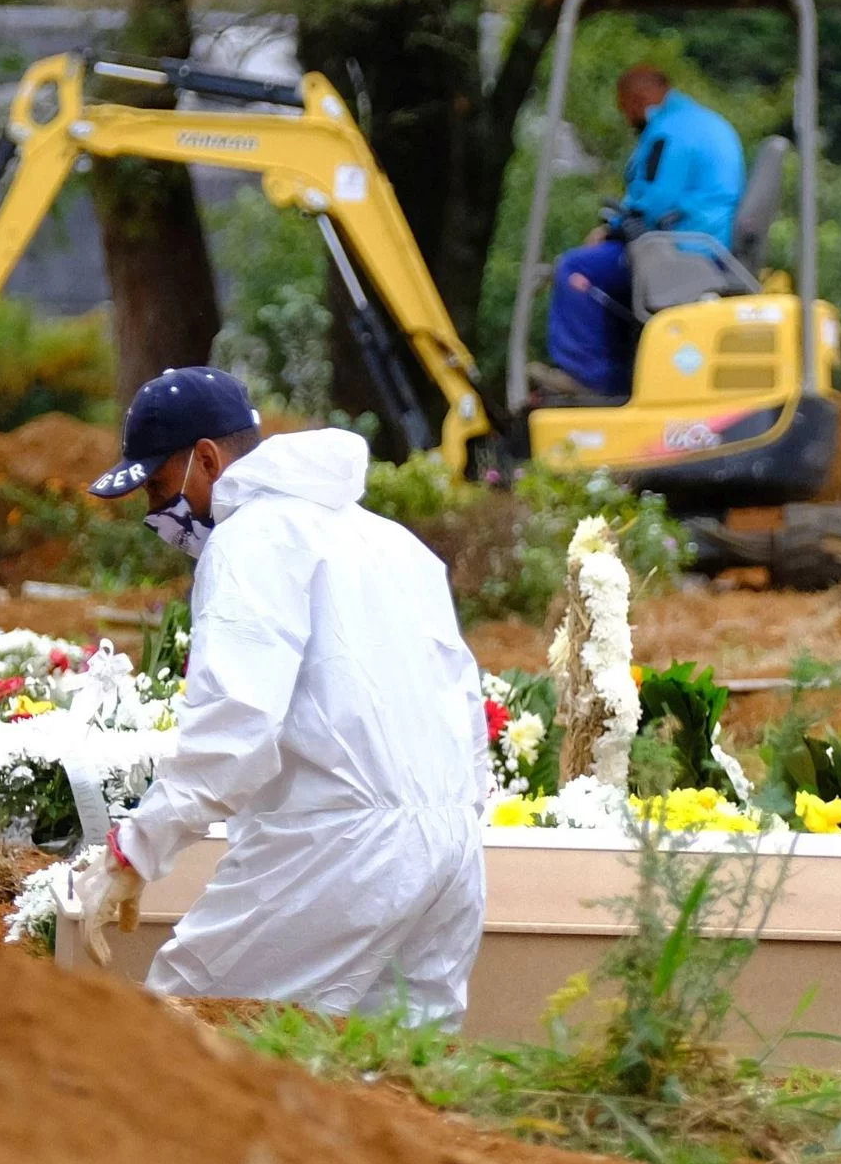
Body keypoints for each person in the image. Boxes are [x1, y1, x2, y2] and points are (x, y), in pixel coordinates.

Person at [68, 367, 492, 1027]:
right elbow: (465, 702)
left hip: (337, 847)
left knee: (181, 1031)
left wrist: (134, 849)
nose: (158, 514)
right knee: (402, 1084)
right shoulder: (390, 541)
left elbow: (235, 730)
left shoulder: (249, 540)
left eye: (158, 486)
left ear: (206, 458)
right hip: (451, 850)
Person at [543, 65, 747, 396]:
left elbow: (654, 201)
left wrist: (610, 230)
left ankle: (590, 381)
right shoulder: (702, 123)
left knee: (576, 269)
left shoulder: (670, 132)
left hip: (683, 248)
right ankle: (627, 374)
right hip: (706, 243)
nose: (628, 119)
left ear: (640, 99)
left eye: (626, 109)